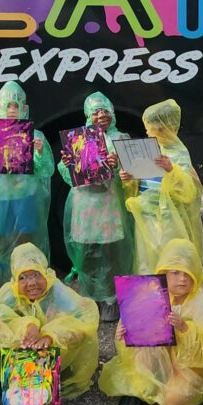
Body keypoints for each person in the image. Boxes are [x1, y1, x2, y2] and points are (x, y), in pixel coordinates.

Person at [100, 238, 203, 405]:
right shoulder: (149, 295)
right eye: (175, 273)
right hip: (156, 357)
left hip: (187, 365)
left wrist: (185, 328)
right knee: (142, 358)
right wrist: (123, 334)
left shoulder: (201, 303)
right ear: (163, 273)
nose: (182, 279)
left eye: (188, 274)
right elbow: (134, 334)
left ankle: (159, 387)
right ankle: (139, 393)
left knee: (173, 402)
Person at [0, 243, 101, 402]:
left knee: (76, 330)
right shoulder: (9, 292)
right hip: (21, 348)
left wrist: (50, 336)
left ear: (46, 273)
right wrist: (26, 327)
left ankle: (52, 377)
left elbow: (84, 315)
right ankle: (17, 381)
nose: (31, 283)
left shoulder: (56, 290)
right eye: (23, 277)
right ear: (15, 278)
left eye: (36, 275)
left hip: (55, 352)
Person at [0, 82, 55, 289]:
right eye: (8, 105)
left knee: (25, 242)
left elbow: (46, 170)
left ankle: (23, 285)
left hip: (26, 197)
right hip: (0, 198)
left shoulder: (35, 136)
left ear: (24, 108)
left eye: (16, 106)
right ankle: (0, 288)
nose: (12, 110)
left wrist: (39, 153)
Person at [56, 91, 131, 316]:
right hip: (85, 205)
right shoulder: (79, 139)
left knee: (111, 252)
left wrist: (117, 165)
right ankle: (90, 298)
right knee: (87, 253)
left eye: (105, 111)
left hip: (110, 205)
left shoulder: (121, 138)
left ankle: (111, 298)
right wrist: (68, 164)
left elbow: (133, 172)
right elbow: (68, 176)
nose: (101, 116)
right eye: (96, 112)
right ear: (88, 115)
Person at [125, 99, 203, 275]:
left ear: (168, 128)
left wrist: (171, 170)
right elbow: (139, 182)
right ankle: (150, 291)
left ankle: (171, 290)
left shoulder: (179, 153)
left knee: (169, 260)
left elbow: (188, 191)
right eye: (148, 128)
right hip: (146, 215)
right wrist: (129, 178)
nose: (149, 132)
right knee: (145, 259)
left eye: (155, 129)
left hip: (169, 218)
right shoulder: (146, 150)